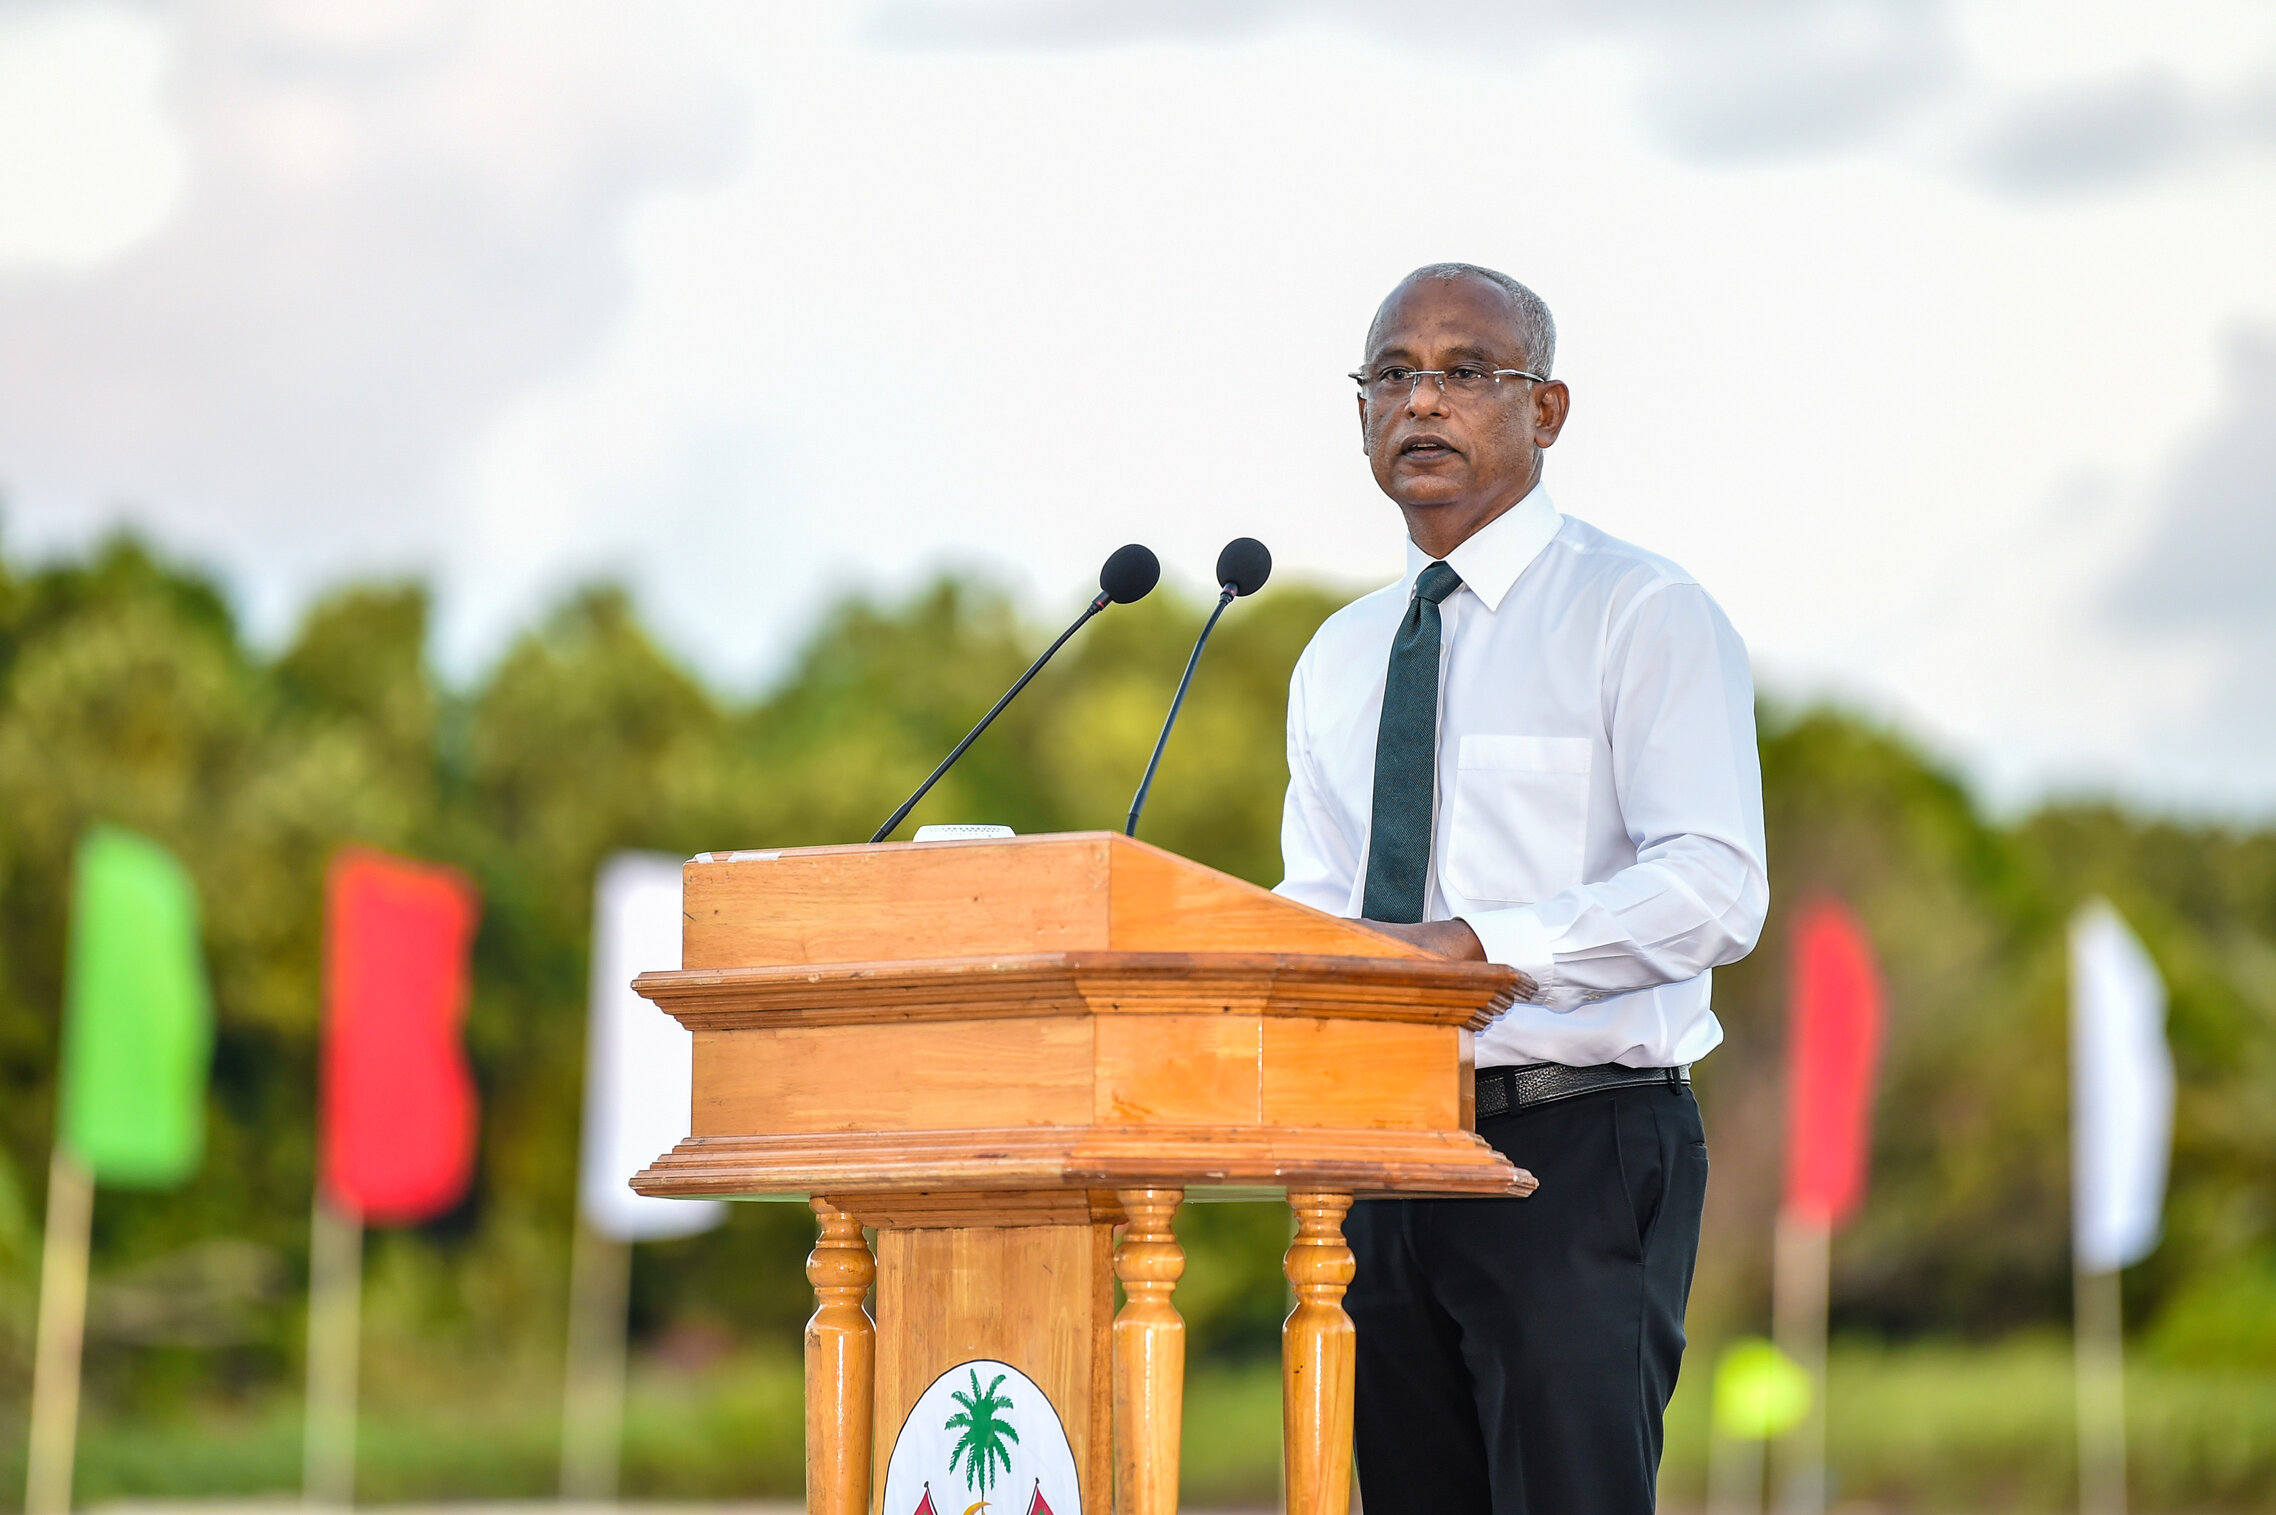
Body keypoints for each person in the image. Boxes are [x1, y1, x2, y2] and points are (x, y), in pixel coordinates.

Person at [1274, 263, 1769, 1514]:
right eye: (1390, 374)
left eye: (1461, 372)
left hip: (1575, 1142)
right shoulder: (1336, 659)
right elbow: (1320, 906)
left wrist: (1487, 945)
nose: (1419, 402)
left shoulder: (1637, 613)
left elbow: (1715, 887)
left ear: (1544, 411)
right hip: (1379, 1163)